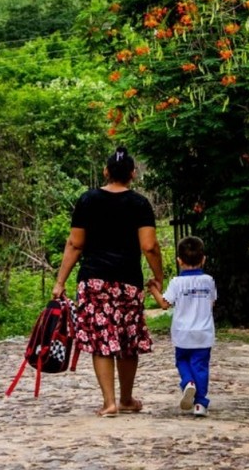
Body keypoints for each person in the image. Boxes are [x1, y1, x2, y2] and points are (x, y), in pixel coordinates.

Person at [51, 146, 164, 417]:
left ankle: (109, 403)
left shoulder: (87, 200)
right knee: (127, 338)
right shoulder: (139, 204)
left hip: (93, 281)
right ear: (133, 174)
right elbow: (149, 246)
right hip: (128, 281)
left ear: (105, 171)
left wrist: (60, 282)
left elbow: (75, 244)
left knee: (101, 339)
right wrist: (159, 277)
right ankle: (126, 399)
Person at [147, 236, 217, 417]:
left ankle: (188, 382)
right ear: (203, 259)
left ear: (179, 261)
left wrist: (153, 289)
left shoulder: (176, 282)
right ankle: (200, 404)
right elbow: (212, 302)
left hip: (182, 333)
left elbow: (164, 304)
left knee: (182, 361)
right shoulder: (209, 281)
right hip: (203, 333)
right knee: (200, 366)